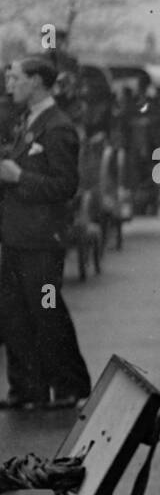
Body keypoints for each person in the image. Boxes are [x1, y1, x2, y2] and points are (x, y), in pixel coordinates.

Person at [0, 57, 93, 411]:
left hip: (41, 242)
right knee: (13, 313)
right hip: (16, 238)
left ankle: (69, 386)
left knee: (46, 310)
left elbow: (65, 186)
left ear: (37, 82)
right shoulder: (29, 121)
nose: (9, 85)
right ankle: (27, 389)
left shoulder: (58, 128)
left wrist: (19, 178)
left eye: (16, 78)